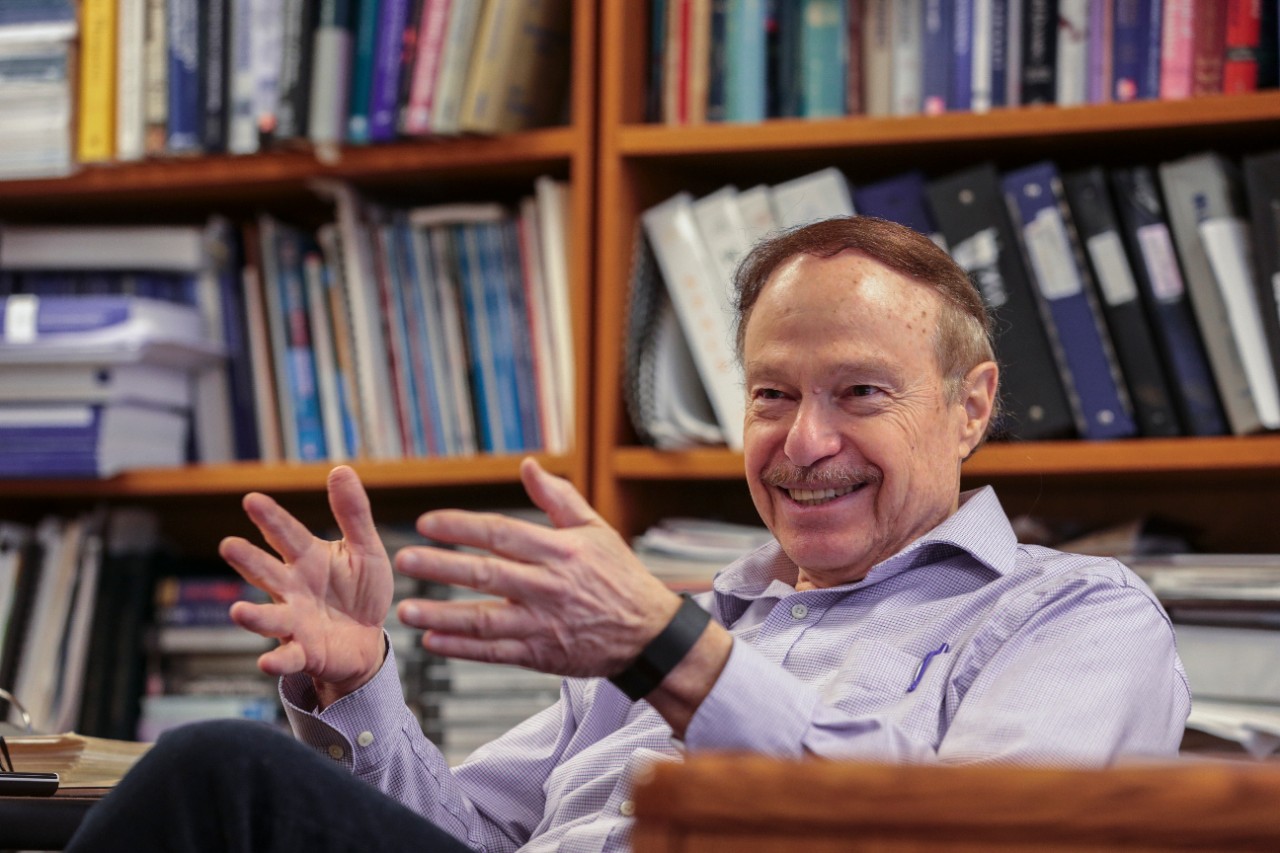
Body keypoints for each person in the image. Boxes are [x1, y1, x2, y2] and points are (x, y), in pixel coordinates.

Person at [67, 216, 1189, 853]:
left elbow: (953, 841)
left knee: (219, 777)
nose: (804, 442)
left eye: (858, 392)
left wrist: (672, 656)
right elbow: (461, 836)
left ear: (971, 405)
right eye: (768, 395)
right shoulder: (680, 620)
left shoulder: (1073, 616)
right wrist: (362, 689)